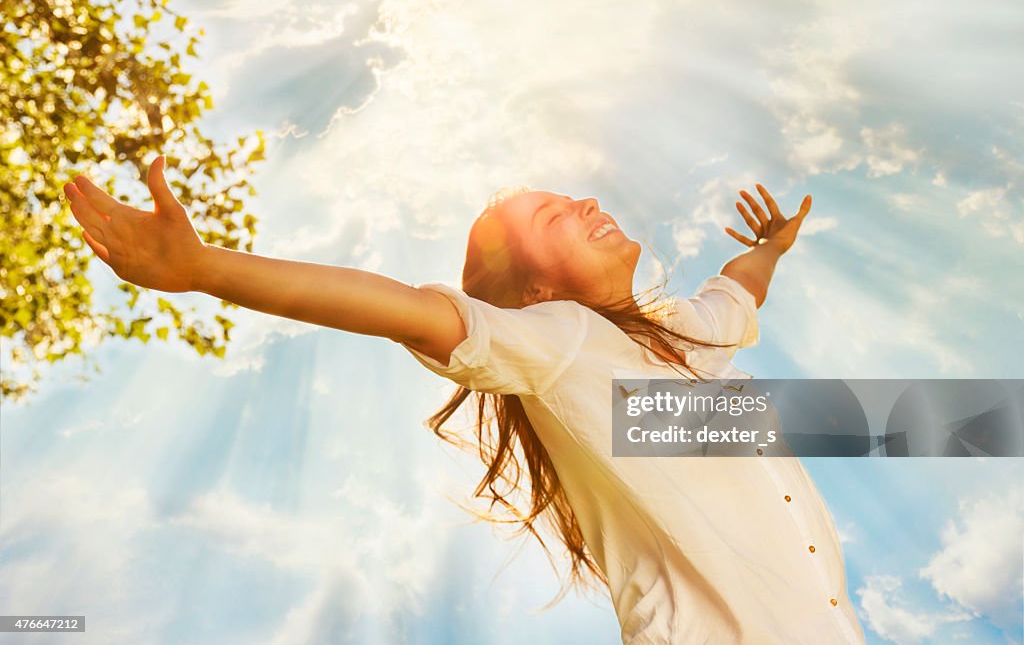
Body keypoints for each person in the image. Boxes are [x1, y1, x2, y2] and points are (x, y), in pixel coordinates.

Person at [63, 157, 866, 644]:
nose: (586, 202)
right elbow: (407, 308)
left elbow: (736, 296)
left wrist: (770, 248)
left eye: (573, 196)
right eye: (556, 215)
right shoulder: (561, 341)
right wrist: (208, 271)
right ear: (540, 288)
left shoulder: (685, 333)